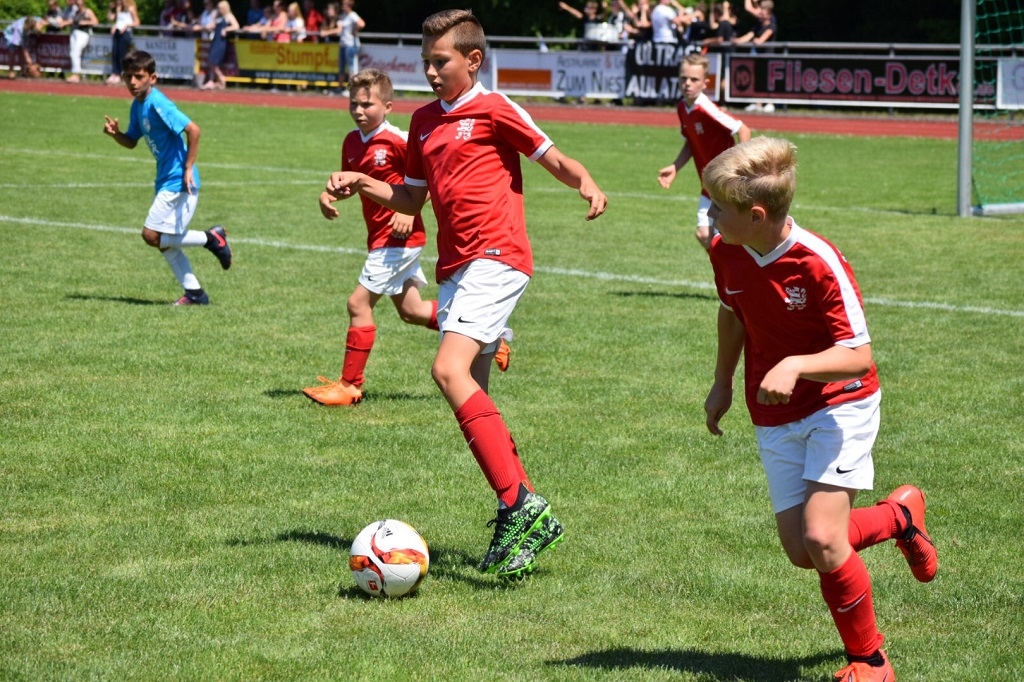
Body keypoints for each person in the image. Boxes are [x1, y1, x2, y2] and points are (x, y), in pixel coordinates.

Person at [322, 9, 607, 579]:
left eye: (440, 61)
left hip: (498, 257)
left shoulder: (496, 107)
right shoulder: (424, 122)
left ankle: (518, 505)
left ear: (472, 60)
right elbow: (408, 200)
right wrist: (360, 183)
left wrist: (586, 182)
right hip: (455, 266)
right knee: (473, 396)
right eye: (425, 61)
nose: (429, 71)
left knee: (447, 371)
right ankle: (526, 514)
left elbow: (550, 156)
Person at [701, 136, 938, 682]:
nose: (709, 214)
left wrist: (796, 365)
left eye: (716, 205)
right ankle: (901, 517)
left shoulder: (819, 261)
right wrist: (722, 383)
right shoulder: (725, 249)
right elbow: (732, 312)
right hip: (775, 411)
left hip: (841, 403)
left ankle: (871, 660)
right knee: (802, 550)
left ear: (755, 214)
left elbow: (858, 356)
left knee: (824, 539)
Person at [305, 68, 511, 406]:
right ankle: (492, 337)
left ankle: (349, 385)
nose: (359, 111)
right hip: (380, 238)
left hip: (398, 236)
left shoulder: (399, 139)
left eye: (367, 104)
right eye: (354, 104)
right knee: (412, 310)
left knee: (358, 303)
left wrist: (408, 209)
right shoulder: (352, 141)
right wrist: (329, 196)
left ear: (387, 106)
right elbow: (354, 184)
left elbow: (432, 177)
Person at [103, 50, 234, 306]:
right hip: (164, 180)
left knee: (151, 235)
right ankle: (195, 294)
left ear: (153, 78)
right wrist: (116, 134)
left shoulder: (158, 103)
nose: (132, 82)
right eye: (128, 76)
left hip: (178, 181)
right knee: (165, 243)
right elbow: (131, 141)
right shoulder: (138, 105)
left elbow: (193, 130)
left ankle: (212, 238)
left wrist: (188, 168)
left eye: (138, 76)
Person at [658, 53, 750, 252]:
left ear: (705, 83)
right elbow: (691, 142)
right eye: (683, 78)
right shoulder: (683, 107)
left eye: (694, 79)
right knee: (703, 235)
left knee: (724, 238)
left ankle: (736, 276)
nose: (687, 84)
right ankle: (729, 274)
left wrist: (741, 168)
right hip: (707, 184)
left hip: (725, 184)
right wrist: (675, 167)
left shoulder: (706, 108)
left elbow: (743, 130)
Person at [735, 0, 776, 111]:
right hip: (758, 56)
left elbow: (765, 36)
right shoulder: (758, 24)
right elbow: (750, 35)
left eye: (763, 11)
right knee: (756, 79)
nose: (761, 13)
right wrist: (738, 41)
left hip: (767, 57)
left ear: (769, 13)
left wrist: (759, 40)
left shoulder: (772, 24)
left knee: (766, 79)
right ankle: (757, 104)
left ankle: (769, 103)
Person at [200, 0, 239, 90]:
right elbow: (212, 25)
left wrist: (226, 29)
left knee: (213, 61)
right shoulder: (218, 16)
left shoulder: (229, 16)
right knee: (210, 61)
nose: (219, 10)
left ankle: (221, 78)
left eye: (221, 8)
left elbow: (236, 26)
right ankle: (211, 80)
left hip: (221, 42)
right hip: (215, 39)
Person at [61, 0, 98, 82]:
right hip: (74, 33)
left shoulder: (88, 11)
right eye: (77, 4)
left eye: (80, 3)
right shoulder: (76, 12)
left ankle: (76, 74)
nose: (78, 5)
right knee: (72, 53)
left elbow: (95, 22)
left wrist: (85, 22)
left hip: (83, 33)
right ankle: (75, 73)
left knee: (76, 53)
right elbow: (71, 21)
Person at [106, 0, 139, 85]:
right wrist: (110, 10)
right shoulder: (119, 9)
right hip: (117, 33)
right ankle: (114, 73)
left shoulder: (131, 9)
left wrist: (127, 25)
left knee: (122, 54)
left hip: (125, 33)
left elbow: (137, 22)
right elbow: (112, 19)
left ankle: (121, 74)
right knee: (115, 53)